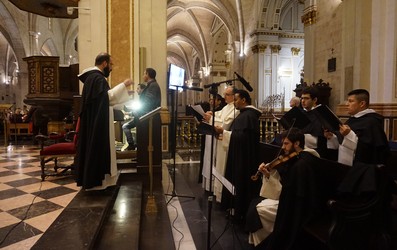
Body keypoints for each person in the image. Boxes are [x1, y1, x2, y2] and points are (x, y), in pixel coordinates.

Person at [245, 128, 320, 247]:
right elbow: (286, 185)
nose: (283, 147)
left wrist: (270, 177)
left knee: (258, 210)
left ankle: (264, 242)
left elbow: (288, 190)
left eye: (286, 143)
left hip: (297, 207)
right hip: (289, 199)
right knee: (255, 206)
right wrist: (268, 175)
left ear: (297, 143)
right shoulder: (296, 158)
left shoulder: (302, 163)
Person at [76, 52, 133, 190]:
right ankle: (97, 183)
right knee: (98, 148)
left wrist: (124, 94)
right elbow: (108, 98)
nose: (112, 68)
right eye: (111, 64)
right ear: (105, 63)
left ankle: (99, 182)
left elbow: (105, 101)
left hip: (96, 120)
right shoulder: (98, 79)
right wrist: (123, 85)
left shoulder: (93, 78)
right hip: (98, 124)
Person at [215, 89, 262, 222]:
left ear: (243, 100)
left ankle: (240, 210)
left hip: (244, 158)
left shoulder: (248, 116)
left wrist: (224, 132)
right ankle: (236, 208)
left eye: (236, 99)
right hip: (240, 154)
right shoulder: (244, 115)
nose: (234, 102)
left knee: (241, 181)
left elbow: (242, 138)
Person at [201, 86, 239, 197]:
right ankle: (214, 189)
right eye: (224, 94)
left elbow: (225, 124)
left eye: (227, 94)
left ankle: (220, 192)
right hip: (219, 138)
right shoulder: (227, 106)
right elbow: (219, 115)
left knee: (221, 166)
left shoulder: (235, 108)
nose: (224, 97)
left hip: (225, 139)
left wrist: (211, 119)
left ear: (234, 96)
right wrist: (212, 114)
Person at [338, 89, 389, 166]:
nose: (347, 104)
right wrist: (331, 138)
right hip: (346, 164)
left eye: (351, 101)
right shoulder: (352, 120)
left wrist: (349, 134)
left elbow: (367, 150)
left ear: (362, 103)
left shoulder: (372, 122)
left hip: (363, 168)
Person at [300, 86, 339, 160]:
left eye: (306, 98)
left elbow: (322, 138)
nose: (303, 101)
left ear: (315, 100)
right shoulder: (303, 113)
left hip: (319, 152)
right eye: (302, 98)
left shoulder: (323, 114)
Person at [122, 83, 146, 150]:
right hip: (138, 118)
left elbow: (140, 110)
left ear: (143, 89)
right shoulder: (142, 97)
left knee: (125, 126)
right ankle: (132, 144)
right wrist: (130, 113)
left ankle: (131, 144)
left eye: (138, 88)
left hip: (141, 119)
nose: (136, 90)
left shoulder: (144, 97)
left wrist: (130, 113)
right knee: (125, 126)